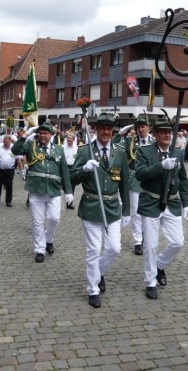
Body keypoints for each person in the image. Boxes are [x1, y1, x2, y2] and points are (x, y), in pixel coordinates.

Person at [71, 113, 130, 308]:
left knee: (114, 248)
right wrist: (84, 169)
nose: (106, 132)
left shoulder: (119, 151)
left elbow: (124, 183)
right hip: (91, 206)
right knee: (94, 249)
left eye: (109, 128)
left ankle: (99, 273)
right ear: (96, 130)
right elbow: (72, 178)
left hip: (112, 207)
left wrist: (127, 210)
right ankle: (93, 289)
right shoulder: (85, 151)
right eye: (102, 128)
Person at [135, 115, 188, 300]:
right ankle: (150, 281)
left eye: (169, 132)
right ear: (155, 134)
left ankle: (159, 265)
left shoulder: (178, 152)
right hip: (151, 202)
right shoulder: (144, 151)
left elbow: (183, 180)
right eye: (163, 132)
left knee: (177, 242)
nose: (167, 135)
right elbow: (140, 174)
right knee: (150, 245)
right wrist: (161, 166)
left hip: (172, 202)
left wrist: (187, 203)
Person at [11, 122, 73, 263]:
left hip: (53, 190)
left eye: (46, 133)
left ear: (51, 135)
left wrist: (68, 191)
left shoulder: (59, 150)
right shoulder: (31, 146)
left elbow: (64, 171)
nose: (43, 136)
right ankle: (39, 249)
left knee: (54, 218)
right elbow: (15, 150)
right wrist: (26, 134)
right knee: (37, 222)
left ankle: (48, 239)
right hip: (36, 189)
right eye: (40, 133)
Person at [119, 114, 154, 256]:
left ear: (148, 127)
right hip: (134, 179)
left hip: (150, 178)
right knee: (136, 211)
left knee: (149, 211)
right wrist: (125, 131)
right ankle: (138, 241)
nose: (141, 129)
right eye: (139, 127)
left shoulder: (153, 141)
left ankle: (147, 235)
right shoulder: (131, 141)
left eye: (143, 126)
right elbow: (118, 142)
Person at [62, 132, 78, 209]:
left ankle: (69, 203)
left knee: (72, 186)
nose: (68, 139)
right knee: (64, 186)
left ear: (73, 139)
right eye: (67, 138)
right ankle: (64, 199)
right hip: (64, 168)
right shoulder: (62, 148)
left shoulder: (76, 148)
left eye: (70, 138)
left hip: (73, 168)